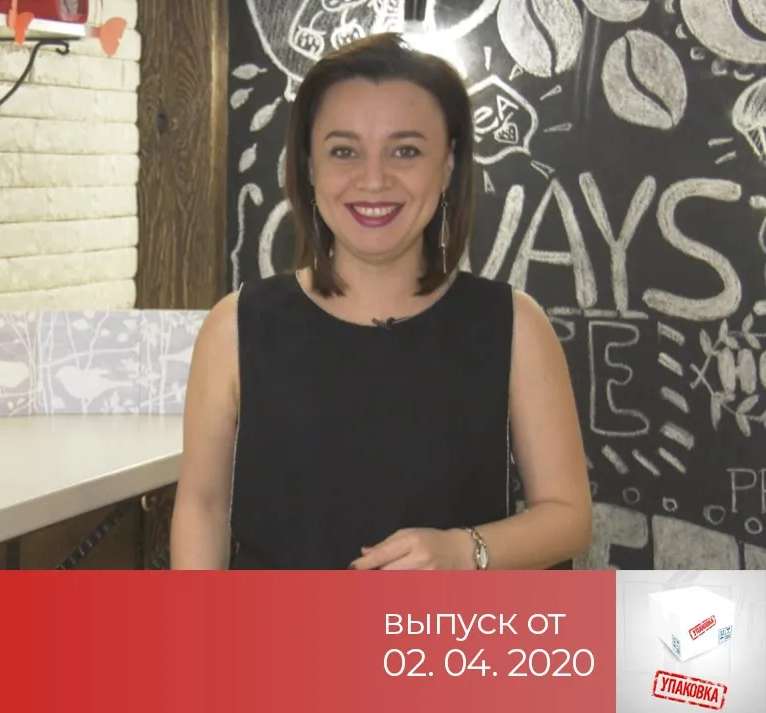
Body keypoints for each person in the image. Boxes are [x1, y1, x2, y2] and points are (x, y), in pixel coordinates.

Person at [170, 34, 592, 570]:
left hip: (444, 628)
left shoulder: (515, 325)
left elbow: (569, 517)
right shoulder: (235, 325)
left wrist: (462, 551)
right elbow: (202, 507)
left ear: (448, 165)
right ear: (309, 166)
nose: (373, 180)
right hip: (276, 624)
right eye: (344, 151)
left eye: (406, 151)